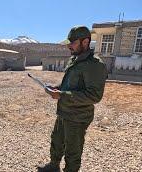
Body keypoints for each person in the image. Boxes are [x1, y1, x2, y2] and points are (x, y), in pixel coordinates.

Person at [37, 26, 107, 172]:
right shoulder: (74, 59)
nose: (69, 46)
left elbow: (94, 95)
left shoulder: (95, 65)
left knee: (73, 151)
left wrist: (62, 95)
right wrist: (56, 88)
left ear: (85, 42)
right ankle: (53, 165)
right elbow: (68, 85)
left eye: (73, 42)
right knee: (57, 141)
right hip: (64, 111)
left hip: (78, 117)